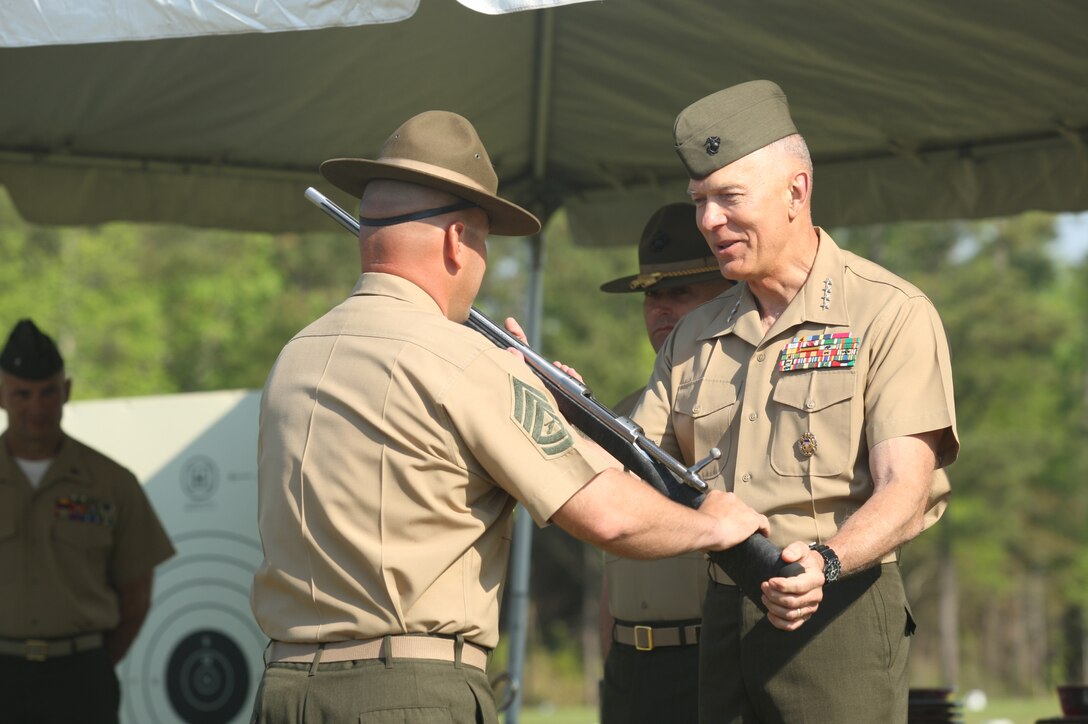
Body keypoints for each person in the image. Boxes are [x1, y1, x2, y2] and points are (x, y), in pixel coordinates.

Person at [248, 110, 773, 724]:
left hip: (285, 688)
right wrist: (714, 525)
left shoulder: (296, 355)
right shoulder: (467, 361)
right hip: (406, 693)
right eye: (484, 244)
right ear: (455, 242)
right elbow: (605, 514)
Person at [630, 80, 959, 723]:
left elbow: (904, 488)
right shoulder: (694, 335)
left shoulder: (888, 312)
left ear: (796, 190)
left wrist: (826, 564)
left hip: (840, 608)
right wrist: (553, 402)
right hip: (724, 613)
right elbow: (638, 469)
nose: (707, 222)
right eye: (699, 201)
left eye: (728, 198)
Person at [0, 318, 176, 724]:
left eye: (47, 392)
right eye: (22, 394)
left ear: (66, 390)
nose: (36, 407)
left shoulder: (111, 483)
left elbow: (136, 596)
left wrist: (90, 660)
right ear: (3, 395)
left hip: (79, 679)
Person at [597, 202, 733, 724]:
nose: (660, 309)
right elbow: (615, 564)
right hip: (634, 665)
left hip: (713, 654)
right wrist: (613, 659)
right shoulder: (620, 417)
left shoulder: (750, 407)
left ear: (727, 296)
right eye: (652, 295)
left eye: (681, 292)